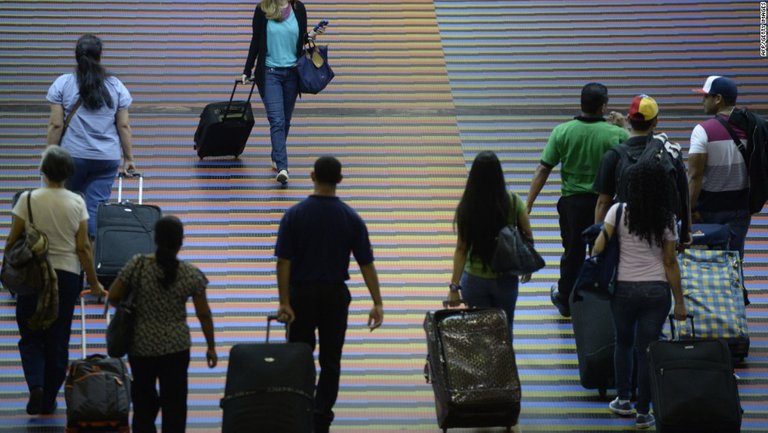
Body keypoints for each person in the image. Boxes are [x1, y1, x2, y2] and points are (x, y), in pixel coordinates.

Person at [275, 156, 384, 433]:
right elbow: (366, 263)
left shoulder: (294, 215)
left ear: (312, 176)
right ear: (340, 180)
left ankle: (301, 407)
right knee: (331, 359)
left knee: (300, 353)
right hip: (335, 296)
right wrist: (377, 302)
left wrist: (284, 302)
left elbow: (283, 262)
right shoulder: (351, 218)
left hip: (301, 295)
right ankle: (321, 416)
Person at [3, 146, 106, 415]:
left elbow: (12, 240)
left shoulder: (26, 199)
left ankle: (35, 385)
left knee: (30, 334)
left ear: (43, 171)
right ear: (68, 173)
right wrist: (94, 282)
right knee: (58, 338)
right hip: (67, 276)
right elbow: (83, 247)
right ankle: (49, 398)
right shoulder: (77, 202)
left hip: (33, 275)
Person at [593, 160, 687, 430]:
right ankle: (644, 413)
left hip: (623, 289)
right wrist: (679, 301)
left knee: (622, 343)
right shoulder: (667, 218)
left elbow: (598, 249)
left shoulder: (617, 211)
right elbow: (670, 263)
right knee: (647, 350)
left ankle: (623, 399)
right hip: (656, 291)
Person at [526, 83, 629, 317]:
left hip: (571, 204)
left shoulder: (562, 131)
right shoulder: (617, 134)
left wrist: (529, 203)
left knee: (572, 251)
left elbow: (543, 169)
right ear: (604, 105)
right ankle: (599, 299)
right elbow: (634, 156)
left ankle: (565, 300)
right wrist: (623, 127)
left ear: (581, 103)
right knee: (601, 250)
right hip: (604, 204)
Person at [108, 216, 217, 433]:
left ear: (155, 239)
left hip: (141, 345)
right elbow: (203, 314)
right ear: (181, 242)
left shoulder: (137, 265)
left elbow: (113, 295)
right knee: (175, 405)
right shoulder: (190, 274)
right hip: (176, 348)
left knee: (143, 404)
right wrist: (211, 346)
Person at [45, 33, 135, 238]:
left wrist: (50, 155)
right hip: (106, 158)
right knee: (94, 208)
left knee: (65, 204)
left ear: (76, 56)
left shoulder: (63, 83)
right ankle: (91, 259)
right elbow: (124, 125)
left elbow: (56, 125)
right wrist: (128, 158)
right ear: (100, 57)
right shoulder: (115, 85)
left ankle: (67, 258)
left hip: (71, 157)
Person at [447, 151, 534, 336]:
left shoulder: (467, 206)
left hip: (474, 280)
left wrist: (454, 287)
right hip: (505, 278)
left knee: (480, 331)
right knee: (504, 327)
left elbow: (461, 249)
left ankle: (484, 365)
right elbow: (527, 234)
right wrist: (527, 266)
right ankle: (505, 364)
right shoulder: (513, 201)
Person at [241, 0, 326, 185]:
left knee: (285, 119)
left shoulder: (298, 8)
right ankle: (282, 167)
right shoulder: (262, 10)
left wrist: (312, 34)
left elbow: (301, 40)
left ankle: (276, 155)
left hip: (292, 74)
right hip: (270, 73)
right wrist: (247, 70)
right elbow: (256, 41)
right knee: (277, 119)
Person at [689, 75, 754, 304]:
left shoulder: (702, 130)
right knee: (735, 257)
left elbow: (695, 175)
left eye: (705, 97)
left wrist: (690, 209)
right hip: (740, 207)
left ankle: (712, 310)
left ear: (718, 99)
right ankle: (736, 309)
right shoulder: (751, 127)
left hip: (708, 209)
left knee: (706, 260)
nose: (702, 102)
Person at [593, 94, 692, 244]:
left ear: (628, 118)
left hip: (626, 234)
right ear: (655, 122)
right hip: (662, 234)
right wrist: (686, 231)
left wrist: (598, 239)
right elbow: (683, 196)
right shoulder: (669, 152)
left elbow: (603, 203)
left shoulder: (613, 155)